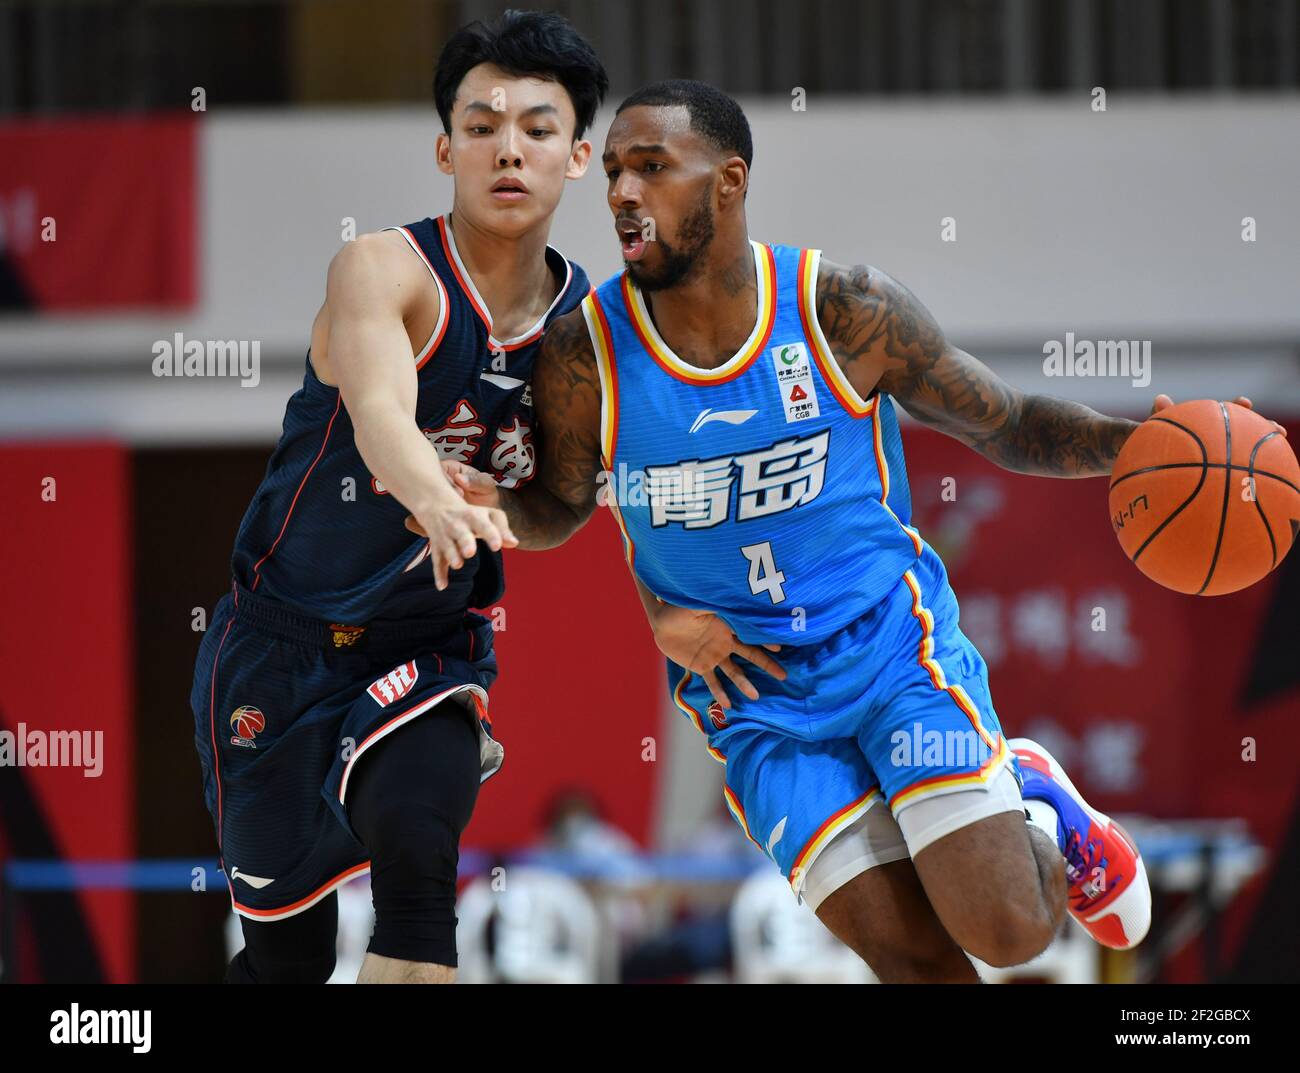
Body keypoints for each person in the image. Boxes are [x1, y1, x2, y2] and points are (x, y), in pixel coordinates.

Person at [434, 79, 1274, 981]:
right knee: (917, 964)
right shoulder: (583, 349)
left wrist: (1140, 446)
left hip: (885, 649)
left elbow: (1005, 419)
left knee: (1010, 934)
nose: (622, 195)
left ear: (728, 181)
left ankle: (1036, 800)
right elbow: (563, 504)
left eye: (652, 169)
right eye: (614, 174)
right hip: (751, 695)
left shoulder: (840, 308)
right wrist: (487, 504)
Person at [189, 11, 608, 983]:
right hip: (279, 644)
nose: (509, 149)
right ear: (444, 146)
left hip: (427, 645)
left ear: (577, 154)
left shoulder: (587, 329)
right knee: (283, 956)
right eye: (481, 125)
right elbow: (380, 414)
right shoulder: (382, 269)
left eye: (538, 129)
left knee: (420, 869)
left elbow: (565, 497)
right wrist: (439, 497)